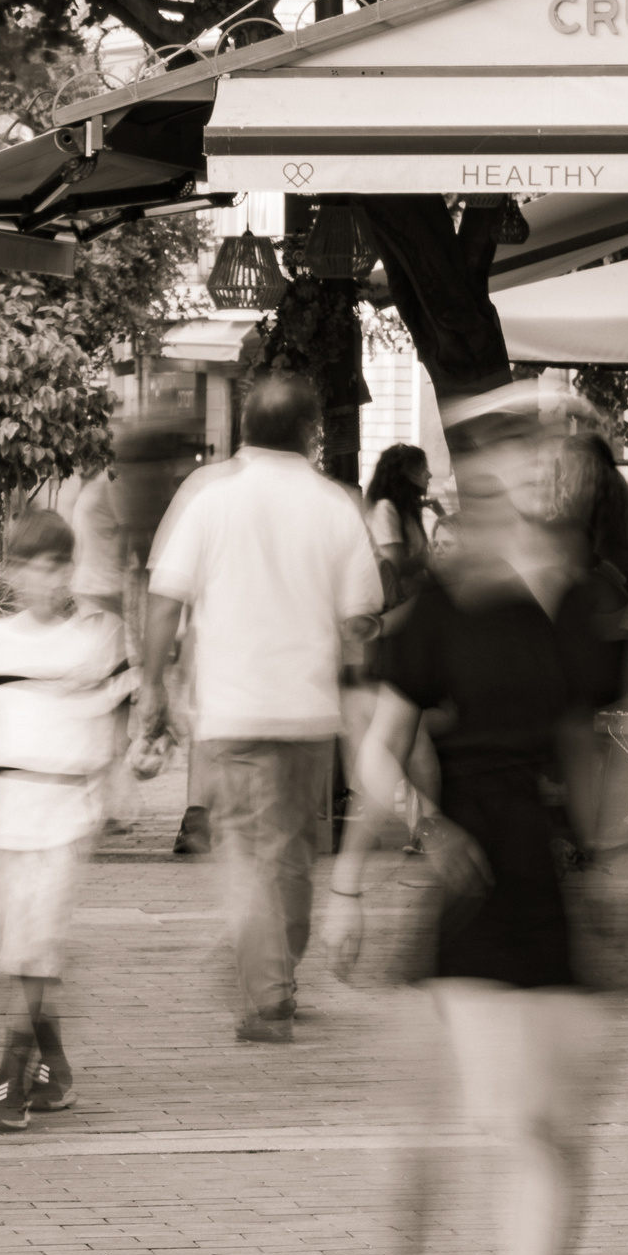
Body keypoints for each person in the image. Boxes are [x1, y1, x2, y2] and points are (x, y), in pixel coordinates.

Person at [324, 385, 628, 1255]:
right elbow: (378, 756)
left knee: (546, 1127)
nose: (555, 468)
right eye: (535, 451)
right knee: (480, 1124)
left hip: (560, 881)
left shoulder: (591, 602)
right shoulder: (442, 609)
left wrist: (618, 857)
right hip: (469, 876)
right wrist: (398, 849)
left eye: (572, 453)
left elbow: (592, 743)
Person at [140, 374, 383, 1044]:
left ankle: (269, 987)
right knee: (295, 852)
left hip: (233, 711)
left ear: (245, 426)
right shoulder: (336, 506)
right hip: (308, 713)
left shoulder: (212, 499)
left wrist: (153, 686)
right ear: (312, 433)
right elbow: (363, 615)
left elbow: (165, 599)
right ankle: (276, 968)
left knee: (246, 853)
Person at [0, 509, 129, 1135]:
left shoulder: (96, 639)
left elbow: (114, 716)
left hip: (65, 812)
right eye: (29, 566)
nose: (43, 579)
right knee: (23, 946)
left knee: (34, 941)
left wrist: (119, 775)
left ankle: (10, 1076)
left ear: (68, 570)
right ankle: (57, 1071)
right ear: (10, 570)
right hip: (3, 812)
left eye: (54, 566)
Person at [365, 443, 434, 609]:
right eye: (422, 469)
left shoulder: (406, 510)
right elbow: (393, 567)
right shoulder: (385, 509)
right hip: (401, 607)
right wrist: (430, 561)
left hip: (416, 600)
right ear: (404, 475)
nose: (429, 475)